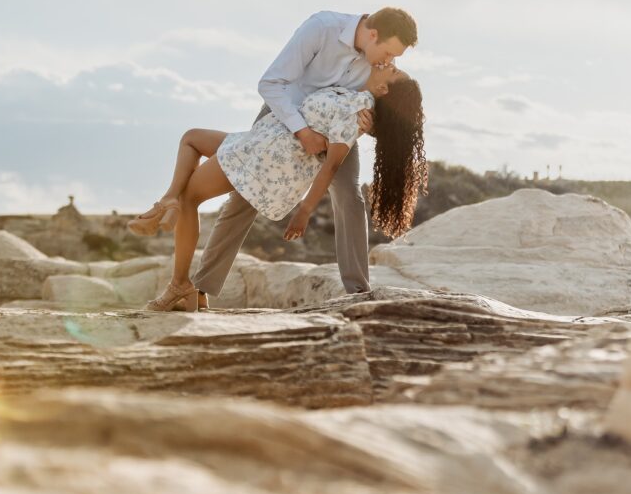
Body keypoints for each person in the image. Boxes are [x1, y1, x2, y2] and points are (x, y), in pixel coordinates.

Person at [127, 61, 427, 311]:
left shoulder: (360, 106)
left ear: (384, 88)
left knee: (193, 182)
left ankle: (173, 234)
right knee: (199, 155)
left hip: (273, 151)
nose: (391, 62)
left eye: (394, 67)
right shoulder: (330, 37)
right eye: (392, 58)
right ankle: (172, 214)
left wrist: (305, 209)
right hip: (274, 124)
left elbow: (333, 161)